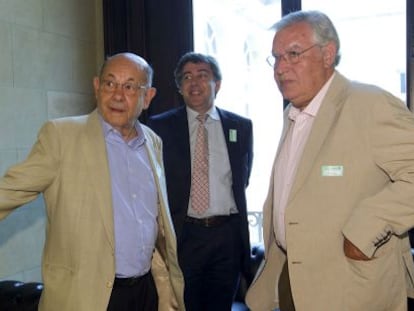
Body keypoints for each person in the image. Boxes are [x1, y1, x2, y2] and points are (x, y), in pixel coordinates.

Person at [245, 10, 414, 311]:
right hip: (293, 282)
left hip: (351, 287)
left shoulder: (369, 104)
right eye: (276, 57)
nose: (281, 68)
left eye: (293, 54)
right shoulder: (293, 115)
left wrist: (366, 230)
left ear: (328, 54)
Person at [0, 52, 185, 311]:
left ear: (148, 97)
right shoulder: (62, 136)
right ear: (97, 87)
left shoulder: (153, 142)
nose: (118, 95)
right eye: (110, 83)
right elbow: (8, 190)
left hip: (146, 291)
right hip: (89, 297)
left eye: (130, 86)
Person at [147, 52, 253, 311]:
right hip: (184, 235)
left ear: (217, 84)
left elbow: (243, 177)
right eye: (187, 77)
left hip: (226, 237)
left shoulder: (240, 126)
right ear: (180, 87)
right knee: (183, 305)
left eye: (202, 76)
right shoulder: (159, 127)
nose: (194, 83)